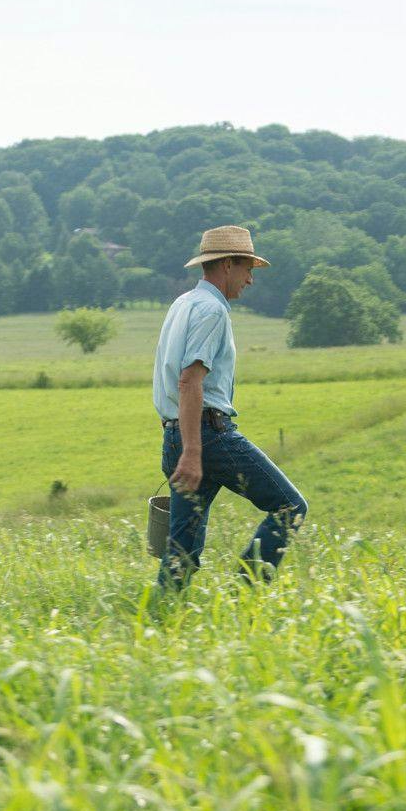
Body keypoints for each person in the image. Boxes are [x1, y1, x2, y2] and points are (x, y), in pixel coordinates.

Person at [152, 225, 308, 591]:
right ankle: (244, 593)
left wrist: (182, 444)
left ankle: (163, 615)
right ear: (226, 266)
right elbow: (190, 380)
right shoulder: (212, 311)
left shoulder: (183, 303)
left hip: (176, 431)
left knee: (182, 550)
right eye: (248, 268)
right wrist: (194, 452)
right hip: (207, 435)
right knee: (290, 507)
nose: (251, 279)